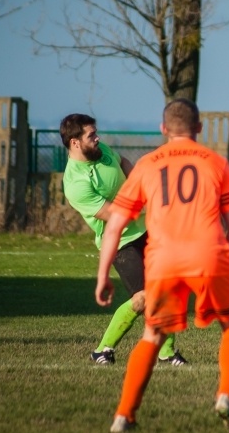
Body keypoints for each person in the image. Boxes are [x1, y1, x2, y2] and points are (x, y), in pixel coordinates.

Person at [95, 99, 229, 433]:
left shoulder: (147, 165)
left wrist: (104, 274)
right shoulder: (216, 163)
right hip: (210, 255)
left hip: (163, 261)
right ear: (199, 128)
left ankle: (124, 415)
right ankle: (225, 395)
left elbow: (116, 225)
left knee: (152, 334)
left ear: (163, 129)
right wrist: (224, 261)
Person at [60, 114, 187, 366]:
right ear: (75, 143)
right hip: (120, 241)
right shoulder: (75, 183)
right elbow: (115, 215)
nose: (97, 139)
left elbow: (125, 162)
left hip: (146, 228)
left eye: (96, 133)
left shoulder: (101, 151)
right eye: (91, 136)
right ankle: (102, 350)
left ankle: (166, 352)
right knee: (143, 298)